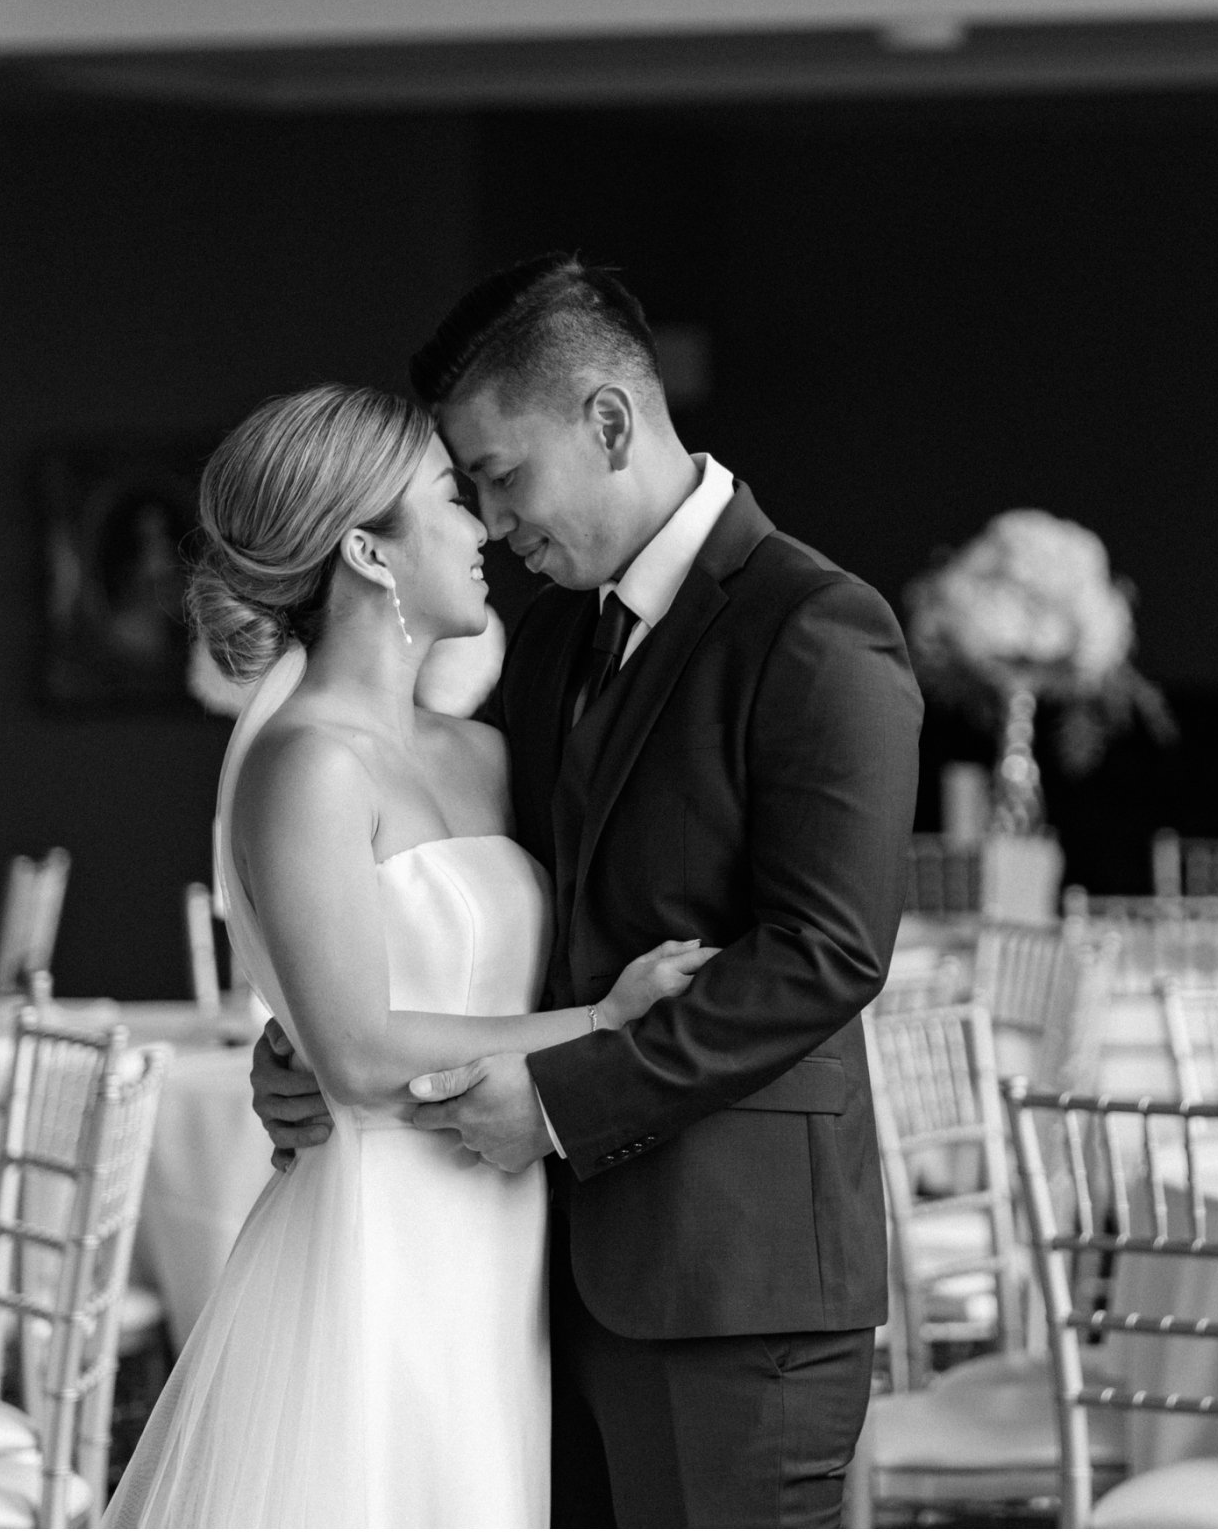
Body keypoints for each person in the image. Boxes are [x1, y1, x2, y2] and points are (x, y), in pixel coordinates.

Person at [250, 255, 923, 1526]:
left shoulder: (816, 626)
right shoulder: (556, 635)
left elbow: (827, 955)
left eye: (502, 476)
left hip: (734, 1286)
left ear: (608, 422)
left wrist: (563, 1102)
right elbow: (468, 886)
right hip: (531, 1279)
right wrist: (318, 1041)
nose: (493, 523)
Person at [105, 384, 714, 1527]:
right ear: (367, 551)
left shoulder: (488, 755)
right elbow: (357, 1050)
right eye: (450, 495)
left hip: (510, 1232)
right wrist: (603, 1025)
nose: (483, 525)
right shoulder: (307, 765)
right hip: (383, 1236)